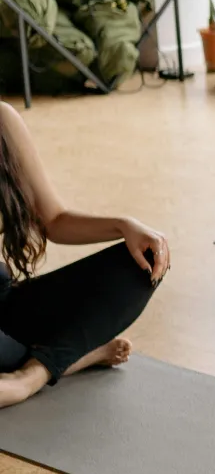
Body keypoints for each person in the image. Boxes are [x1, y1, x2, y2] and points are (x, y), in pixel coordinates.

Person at [0, 103, 168, 409]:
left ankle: (31, 376)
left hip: (5, 305)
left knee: (140, 264)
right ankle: (71, 356)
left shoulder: (3, 120)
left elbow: (55, 220)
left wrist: (123, 225)